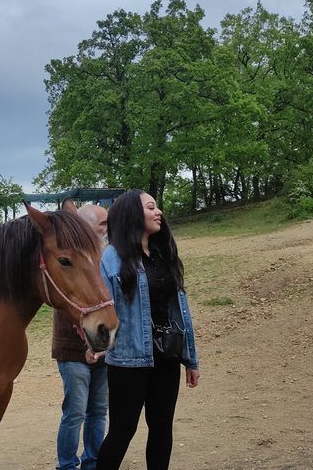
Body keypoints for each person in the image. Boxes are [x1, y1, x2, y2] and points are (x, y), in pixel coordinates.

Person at [96, 189, 199, 470]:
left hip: (167, 357)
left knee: (162, 429)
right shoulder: (111, 257)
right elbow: (102, 307)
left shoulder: (163, 255)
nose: (159, 212)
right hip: (129, 361)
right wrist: (97, 345)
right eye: (151, 207)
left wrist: (190, 359)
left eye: (157, 207)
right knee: (121, 433)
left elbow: (180, 311)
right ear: (132, 214)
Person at [52, 203, 110, 470]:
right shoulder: (73, 258)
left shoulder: (103, 256)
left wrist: (103, 344)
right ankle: (66, 466)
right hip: (73, 348)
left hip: (101, 346)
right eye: (103, 224)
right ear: (85, 226)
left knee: (98, 412)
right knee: (74, 414)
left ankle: (92, 464)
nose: (108, 228)